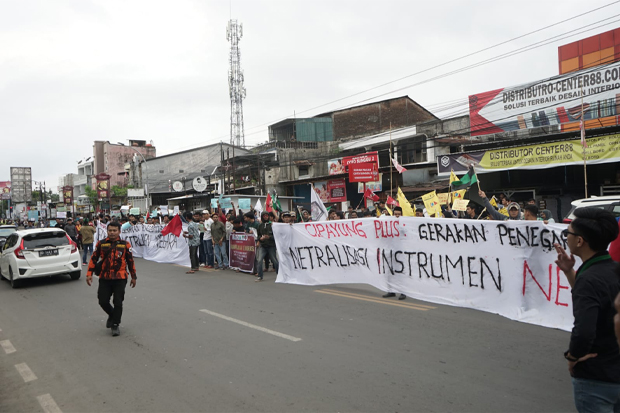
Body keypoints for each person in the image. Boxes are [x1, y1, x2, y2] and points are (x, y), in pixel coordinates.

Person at [554, 208, 620, 412]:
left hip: (597, 380)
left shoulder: (589, 279)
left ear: (580, 241)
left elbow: (584, 331)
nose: (566, 238)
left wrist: (573, 357)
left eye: (568, 234)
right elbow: (597, 301)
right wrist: (569, 272)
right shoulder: (613, 269)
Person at [86, 221, 137, 337]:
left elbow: (130, 262)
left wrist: (134, 277)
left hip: (120, 278)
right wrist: (89, 274)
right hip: (105, 277)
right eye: (110, 230)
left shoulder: (125, 245)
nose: (112, 233)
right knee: (102, 300)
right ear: (107, 231)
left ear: (119, 231)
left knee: (118, 302)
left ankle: (115, 324)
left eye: (115, 230)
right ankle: (113, 314)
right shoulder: (101, 244)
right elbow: (94, 259)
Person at [383, 206, 406, 300]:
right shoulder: (388, 224)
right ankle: (391, 290)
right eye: (395, 214)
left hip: (401, 252)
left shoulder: (404, 224)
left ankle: (403, 292)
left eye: (398, 214)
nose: (397, 216)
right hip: (390, 251)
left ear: (401, 215)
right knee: (389, 271)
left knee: (401, 272)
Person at [256, 211, 278, 282]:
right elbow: (258, 235)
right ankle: (260, 276)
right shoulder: (260, 226)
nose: (265, 217)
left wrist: (269, 237)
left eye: (266, 215)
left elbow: (276, 236)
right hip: (263, 245)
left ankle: (279, 274)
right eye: (264, 216)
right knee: (259, 260)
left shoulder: (272, 225)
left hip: (271, 245)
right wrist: (260, 239)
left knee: (274, 260)